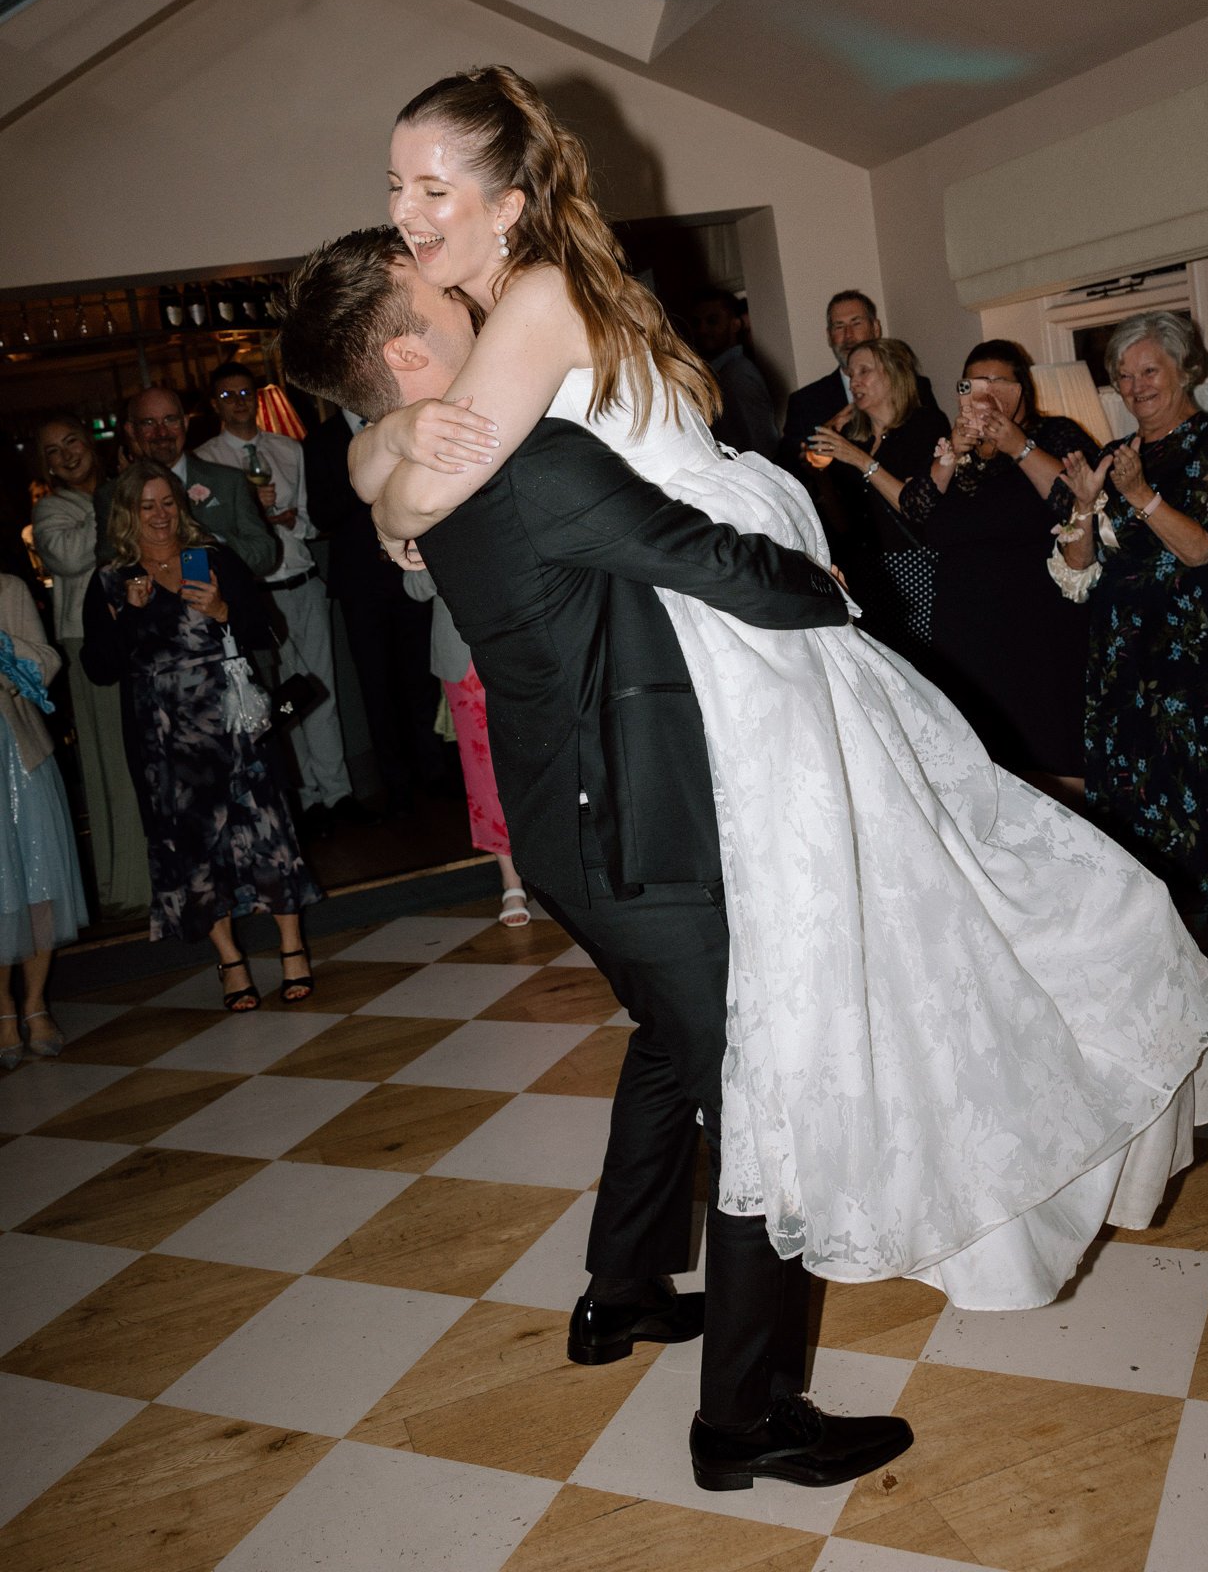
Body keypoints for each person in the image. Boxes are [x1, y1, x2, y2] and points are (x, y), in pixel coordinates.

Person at [313, 67, 1208, 1310]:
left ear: (508, 201)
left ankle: (742, 1347)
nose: (406, 212)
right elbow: (410, 460)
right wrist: (381, 444)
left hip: (734, 624)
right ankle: (646, 1299)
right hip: (722, 623)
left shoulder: (530, 300)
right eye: (396, 186)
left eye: (432, 188)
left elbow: (422, 496)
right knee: (785, 970)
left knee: (820, 959)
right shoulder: (529, 294)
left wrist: (388, 472)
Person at [280, 230, 912, 1493]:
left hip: (570, 831)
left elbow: (387, 474)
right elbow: (712, 562)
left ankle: (621, 1290)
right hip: (636, 829)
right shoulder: (524, 460)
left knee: (675, 1046)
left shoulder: (446, 467)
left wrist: (379, 445)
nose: (471, 286)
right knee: (757, 1096)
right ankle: (745, 1419)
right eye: (437, 287)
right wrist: (835, 591)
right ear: (406, 350)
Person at [1057, 311, 1208, 920]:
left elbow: (1202, 550)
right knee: (1138, 785)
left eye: (1150, 371)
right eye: (1124, 375)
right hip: (1126, 652)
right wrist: (1084, 504)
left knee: (1207, 782)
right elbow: (1078, 566)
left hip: (1201, 653)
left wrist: (1140, 496)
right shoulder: (1114, 456)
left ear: (1184, 369)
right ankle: (1154, 914)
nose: (1136, 386)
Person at [80, 462, 320, 1008]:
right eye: (147, 506)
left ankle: (292, 947)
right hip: (164, 738)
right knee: (194, 845)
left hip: (232, 723)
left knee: (267, 828)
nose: (160, 515)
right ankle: (230, 961)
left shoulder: (212, 558)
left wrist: (222, 609)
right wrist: (129, 615)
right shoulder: (112, 580)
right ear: (127, 514)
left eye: (167, 502)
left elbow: (266, 630)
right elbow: (99, 668)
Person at [880, 340, 1098, 796]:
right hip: (963, 632)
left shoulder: (1056, 434)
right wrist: (949, 456)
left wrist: (1018, 446)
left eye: (998, 381)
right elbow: (916, 512)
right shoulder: (957, 452)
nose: (986, 392)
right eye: (974, 383)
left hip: (1036, 628)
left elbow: (1077, 501)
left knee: (1052, 769)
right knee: (979, 775)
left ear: (1022, 388)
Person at [194, 360, 358, 836]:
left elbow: (310, 519)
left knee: (320, 688)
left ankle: (338, 794)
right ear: (215, 404)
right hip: (255, 592)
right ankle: (303, 798)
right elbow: (206, 535)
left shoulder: (288, 448)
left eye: (245, 393)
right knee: (278, 699)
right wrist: (253, 518)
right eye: (228, 396)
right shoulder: (205, 461)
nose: (239, 402)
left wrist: (292, 521)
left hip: (301, 578)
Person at [302, 401, 453, 813]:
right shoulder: (321, 441)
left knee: (420, 676)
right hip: (360, 584)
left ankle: (434, 770)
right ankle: (395, 783)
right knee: (375, 684)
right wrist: (366, 483)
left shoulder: (396, 422)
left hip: (410, 572)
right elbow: (320, 513)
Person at [30, 415, 152, 918]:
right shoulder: (50, 510)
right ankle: (132, 881)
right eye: (53, 451)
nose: (66, 455)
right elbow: (68, 558)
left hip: (142, 628)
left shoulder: (121, 489)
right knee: (114, 759)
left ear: (90, 443)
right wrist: (115, 499)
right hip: (90, 641)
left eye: (72, 442)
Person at [801, 338, 948, 658]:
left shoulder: (925, 424)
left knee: (924, 663)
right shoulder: (858, 440)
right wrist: (821, 472)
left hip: (914, 565)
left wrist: (857, 458)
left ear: (894, 375)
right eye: (851, 374)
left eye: (864, 372)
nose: (854, 382)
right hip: (867, 572)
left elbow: (914, 506)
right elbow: (843, 522)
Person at [403, 569, 530, 925]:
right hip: (463, 655)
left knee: (544, 757)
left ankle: (564, 862)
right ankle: (511, 879)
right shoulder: (421, 527)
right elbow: (414, 587)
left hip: (525, 638)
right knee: (484, 770)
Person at [1, 572, 88, 1069]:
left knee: (38, 879)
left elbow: (47, 661)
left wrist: (4, 649)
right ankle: (3, 1009)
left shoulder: (7, 590)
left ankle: (34, 1003)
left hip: (18, 750)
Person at [95, 387, 279, 582]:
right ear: (131, 430)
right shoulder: (112, 494)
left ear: (185, 423)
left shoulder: (228, 481)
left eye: (170, 420)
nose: (161, 432)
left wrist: (215, 543)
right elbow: (109, 569)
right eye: (149, 423)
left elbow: (266, 556)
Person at [777, 288, 881, 478]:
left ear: (875, 328)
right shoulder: (805, 402)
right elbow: (786, 472)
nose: (848, 335)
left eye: (856, 323)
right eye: (839, 327)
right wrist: (822, 436)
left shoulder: (912, 387)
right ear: (829, 336)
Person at [690, 288, 780, 461]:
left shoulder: (738, 374)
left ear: (735, 325)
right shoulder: (718, 373)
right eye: (696, 323)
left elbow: (762, 444)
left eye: (712, 321)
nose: (702, 330)